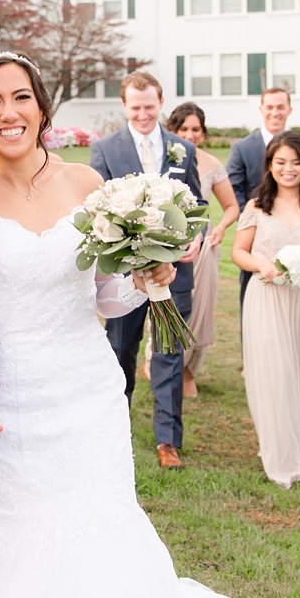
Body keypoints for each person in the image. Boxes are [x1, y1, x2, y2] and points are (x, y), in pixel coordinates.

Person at [0, 53, 263, 598]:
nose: (9, 112)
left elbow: (103, 296)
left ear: (42, 105)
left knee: (102, 521)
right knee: (19, 527)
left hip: (89, 393)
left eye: (21, 96)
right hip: (11, 401)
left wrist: (148, 277)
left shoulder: (86, 182)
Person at [88, 72, 202, 469]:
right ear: (124, 106)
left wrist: (194, 238)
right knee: (121, 350)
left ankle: (168, 441)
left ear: (161, 101)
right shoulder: (104, 149)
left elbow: (197, 206)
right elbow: (98, 210)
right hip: (125, 277)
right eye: (135, 107)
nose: (142, 114)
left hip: (175, 272)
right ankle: (113, 429)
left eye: (149, 107)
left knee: (170, 351)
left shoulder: (183, 149)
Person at [231, 131, 300, 488]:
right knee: (275, 375)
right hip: (268, 300)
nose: (288, 169)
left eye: (295, 162)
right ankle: (281, 456)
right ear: (270, 166)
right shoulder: (256, 207)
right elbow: (239, 253)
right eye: (280, 162)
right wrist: (262, 266)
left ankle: (299, 435)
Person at [165, 102, 239, 396]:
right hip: (167, 250)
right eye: (184, 129)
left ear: (204, 133)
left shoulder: (211, 164)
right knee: (167, 307)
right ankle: (160, 361)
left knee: (199, 310)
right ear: (173, 130)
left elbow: (232, 206)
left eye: (196, 129)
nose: (190, 134)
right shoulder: (164, 158)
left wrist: (219, 228)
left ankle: (187, 370)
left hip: (202, 249)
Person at [226, 87, 294, 315]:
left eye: (280, 107)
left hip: (293, 235)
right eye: (270, 107)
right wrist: (254, 223)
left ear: (289, 109)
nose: (275, 112)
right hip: (255, 239)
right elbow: (233, 189)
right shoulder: (242, 148)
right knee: (253, 307)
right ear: (261, 109)